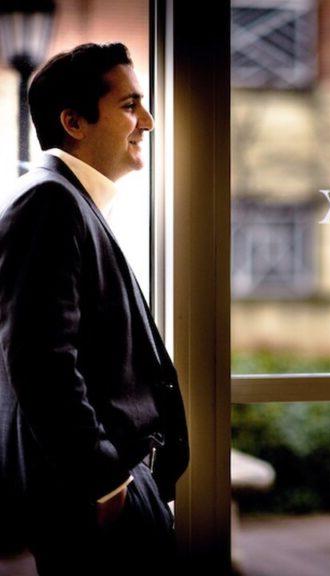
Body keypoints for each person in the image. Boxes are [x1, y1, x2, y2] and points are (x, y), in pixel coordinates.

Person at [0, 43, 188, 574]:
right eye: (130, 105)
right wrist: (108, 482)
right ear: (74, 122)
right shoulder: (50, 203)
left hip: (107, 490)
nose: (147, 122)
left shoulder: (65, 201)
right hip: (95, 500)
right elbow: (40, 360)